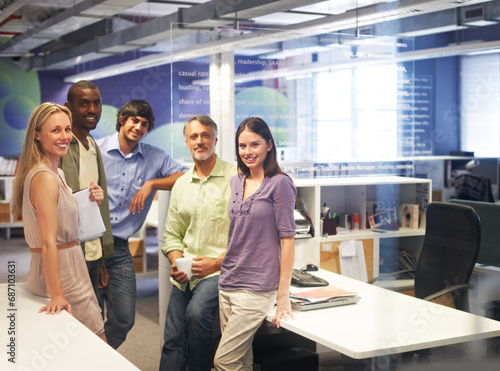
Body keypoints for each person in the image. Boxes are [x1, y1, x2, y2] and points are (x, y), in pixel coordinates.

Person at [96, 99, 187, 349]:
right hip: (91, 246)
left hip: (121, 248)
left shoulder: (153, 158)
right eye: (134, 120)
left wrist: (152, 184)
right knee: (89, 317)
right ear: (122, 119)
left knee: (124, 318)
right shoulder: (96, 151)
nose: (138, 127)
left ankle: (96, 353)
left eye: (144, 124)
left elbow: (184, 175)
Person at [11, 103, 106, 341]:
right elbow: (48, 241)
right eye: (55, 131)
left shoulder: (56, 173)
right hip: (63, 273)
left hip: (67, 266)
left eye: (67, 129)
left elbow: (62, 216)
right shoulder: (45, 177)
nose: (64, 137)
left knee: (78, 349)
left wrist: (90, 199)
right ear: (37, 134)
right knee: (97, 343)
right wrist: (57, 295)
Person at [214, 117, 296, 370]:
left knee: (224, 361)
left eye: (255, 145)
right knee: (242, 359)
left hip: (257, 287)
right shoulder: (236, 181)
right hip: (228, 281)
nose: (247, 152)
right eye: (242, 146)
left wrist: (283, 297)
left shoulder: (280, 184)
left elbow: (288, 241)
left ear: (269, 145)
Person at [159, 115, 236, 371]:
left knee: (195, 315)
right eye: (194, 136)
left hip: (220, 269)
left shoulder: (236, 179)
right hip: (186, 269)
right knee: (172, 337)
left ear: (215, 139)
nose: (199, 141)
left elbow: (247, 238)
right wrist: (177, 262)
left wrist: (214, 264)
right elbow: (172, 235)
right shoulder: (181, 184)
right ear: (187, 142)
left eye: (205, 135)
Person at [59, 80, 114, 298]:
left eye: (97, 103)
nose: (92, 110)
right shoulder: (61, 147)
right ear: (68, 107)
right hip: (70, 254)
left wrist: (101, 261)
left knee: (94, 318)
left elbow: (100, 206)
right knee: (74, 320)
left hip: (93, 251)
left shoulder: (92, 145)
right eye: (83, 104)